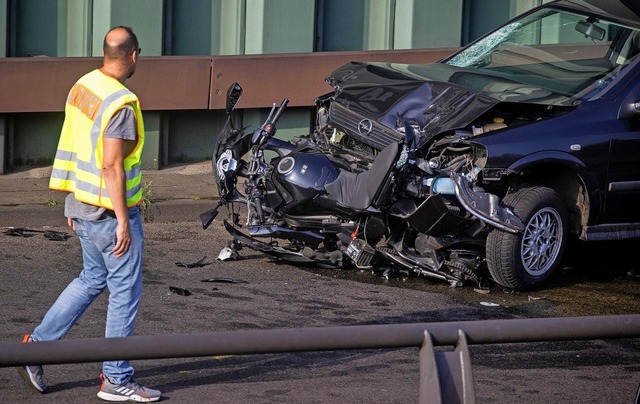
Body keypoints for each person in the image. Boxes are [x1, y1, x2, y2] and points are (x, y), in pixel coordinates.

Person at [16, 26, 161, 403]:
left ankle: (34, 349)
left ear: (106, 53)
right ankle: (115, 378)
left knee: (91, 279)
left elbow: (74, 140)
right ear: (133, 55)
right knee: (124, 292)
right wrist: (125, 221)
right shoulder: (121, 103)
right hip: (110, 213)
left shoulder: (85, 85)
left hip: (82, 206)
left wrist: (72, 200)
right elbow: (111, 166)